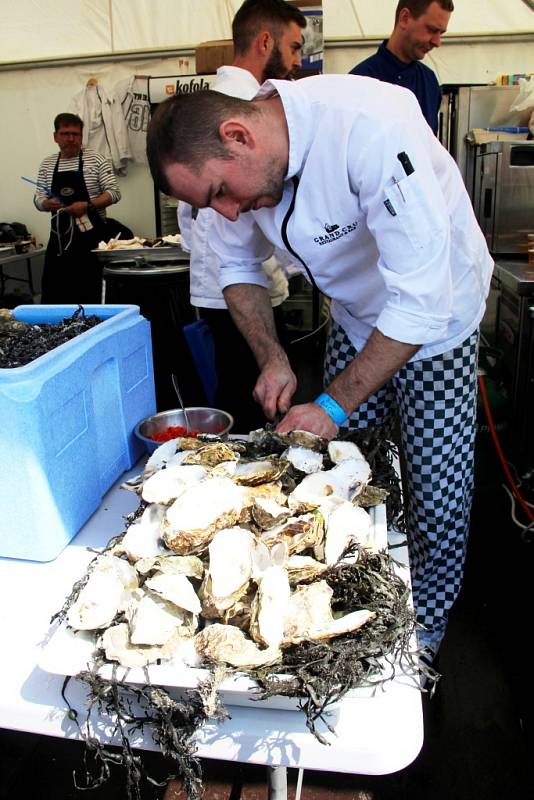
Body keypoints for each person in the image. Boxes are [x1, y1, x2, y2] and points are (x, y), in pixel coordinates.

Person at [146, 75, 494, 659]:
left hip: (438, 319)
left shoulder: (369, 125)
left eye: (222, 193)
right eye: (211, 205)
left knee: (435, 490)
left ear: (238, 135)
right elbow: (237, 267)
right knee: (340, 474)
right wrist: (273, 357)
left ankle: (424, 631)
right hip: (358, 317)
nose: (227, 213)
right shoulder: (232, 177)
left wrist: (333, 401)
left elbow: (421, 298)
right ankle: (356, 598)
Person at [178, 0, 305, 432]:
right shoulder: (246, 107)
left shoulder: (206, 106)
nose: (297, 60)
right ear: (265, 40)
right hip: (240, 288)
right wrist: (295, 262)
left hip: (218, 286)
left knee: (238, 396)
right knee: (259, 407)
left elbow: (186, 218)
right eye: (294, 46)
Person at [33, 112, 121, 303]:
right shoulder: (48, 164)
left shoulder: (97, 160)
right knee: (55, 295)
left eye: (76, 134)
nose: (71, 139)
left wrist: (87, 205)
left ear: (81, 136)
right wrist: (46, 204)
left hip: (93, 241)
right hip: (59, 242)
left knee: (93, 295)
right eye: (65, 134)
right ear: (55, 136)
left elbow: (114, 193)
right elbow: (38, 198)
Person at [350, 0, 453, 134]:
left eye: (441, 33)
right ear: (404, 18)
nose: (437, 42)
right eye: (432, 30)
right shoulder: (358, 82)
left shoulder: (429, 81)